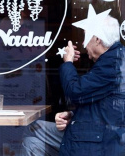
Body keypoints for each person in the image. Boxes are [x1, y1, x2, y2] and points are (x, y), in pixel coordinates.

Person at [22, 11, 125, 155]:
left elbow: (75, 92)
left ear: (97, 39)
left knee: (33, 130)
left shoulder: (112, 64)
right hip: (96, 133)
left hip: (99, 141)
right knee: (32, 138)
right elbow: (101, 102)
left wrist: (68, 62)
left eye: (85, 36)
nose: (83, 43)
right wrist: (72, 114)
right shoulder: (114, 58)